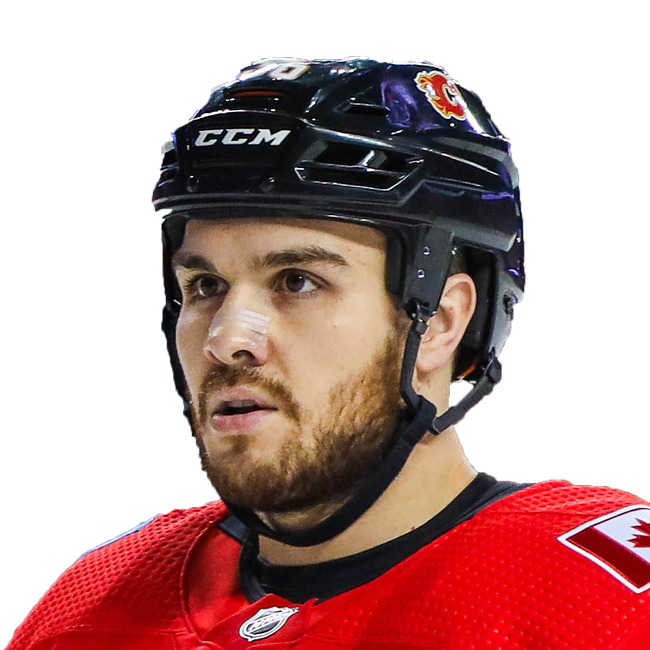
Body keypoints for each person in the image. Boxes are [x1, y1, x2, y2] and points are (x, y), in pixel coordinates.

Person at [8, 56, 649, 649]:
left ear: (440, 320)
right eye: (204, 286)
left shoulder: (605, 599)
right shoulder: (91, 602)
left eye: (297, 282)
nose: (225, 338)